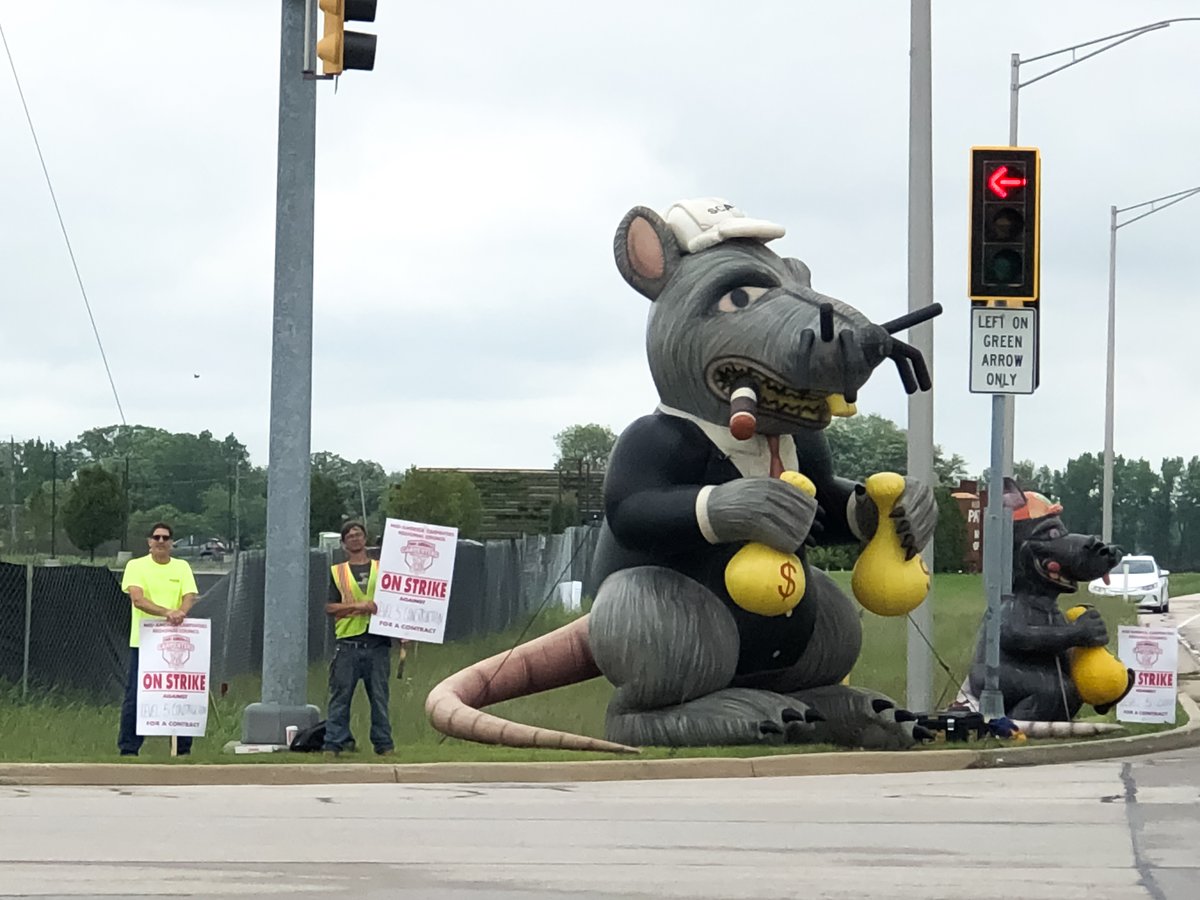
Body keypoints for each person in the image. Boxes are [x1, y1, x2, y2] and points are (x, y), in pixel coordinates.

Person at [118, 522, 199, 757]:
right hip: (143, 642)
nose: (161, 542)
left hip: (177, 641)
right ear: (149, 542)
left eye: (165, 538)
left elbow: (189, 596)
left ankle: (182, 749)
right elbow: (138, 599)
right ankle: (129, 749)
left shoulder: (182, 567)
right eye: (156, 538)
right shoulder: (136, 566)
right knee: (136, 695)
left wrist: (181, 613)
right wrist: (168, 613)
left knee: (181, 693)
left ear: (172, 543)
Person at [324, 521, 394, 756]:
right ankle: (334, 743)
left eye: (359, 534)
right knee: (340, 698)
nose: (355, 538)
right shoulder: (338, 572)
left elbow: (396, 602)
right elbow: (330, 607)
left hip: (378, 643)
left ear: (366, 539)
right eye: (350, 536)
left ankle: (384, 744)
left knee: (380, 698)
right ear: (344, 544)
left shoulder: (381, 569)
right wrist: (358, 606)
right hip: (348, 644)